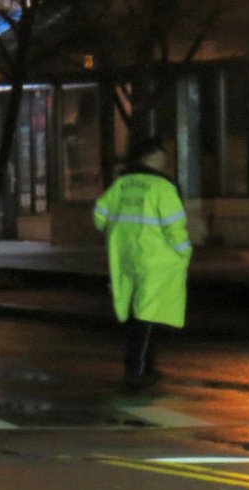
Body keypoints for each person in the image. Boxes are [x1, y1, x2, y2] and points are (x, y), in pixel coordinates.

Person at [93, 137, 192, 388]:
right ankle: (136, 369)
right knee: (147, 315)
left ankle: (145, 366)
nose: (165, 161)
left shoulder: (121, 183)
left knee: (138, 312)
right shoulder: (163, 187)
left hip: (125, 257)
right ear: (153, 157)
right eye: (162, 156)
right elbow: (175, 227)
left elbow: (99, 217)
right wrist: (184, 253)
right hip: (156, 258)